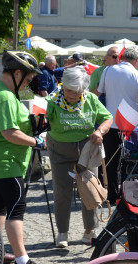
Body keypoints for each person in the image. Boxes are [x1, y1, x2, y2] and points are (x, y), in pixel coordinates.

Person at [0, 50, 49, 264]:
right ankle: (22, 261)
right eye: (28, 77)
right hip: (5, 160)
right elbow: (9, 132)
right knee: (16, 207)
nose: (29, 82)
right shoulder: (6, 96)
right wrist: (36, 141)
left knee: (0, 205)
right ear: (17, 73)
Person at [46, 68, 112, 247]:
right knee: (62, 191)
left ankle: (90, 230)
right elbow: (42, 119)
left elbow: (108, 118)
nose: (73, 95)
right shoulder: (52, 101)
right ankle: (62, 232)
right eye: (69, 91)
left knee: (89, 190)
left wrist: (100, 131)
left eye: (78, 92)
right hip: (60, 150)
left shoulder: (90, 99)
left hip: (87, 151)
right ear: (63, 87)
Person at [97, 45, 138, 203]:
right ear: (137, 60)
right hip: (130, 126)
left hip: (110, 123)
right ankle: (127, 196)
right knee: (130, 162)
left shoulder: (107, 70)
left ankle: (112, 196)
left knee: (110, 162)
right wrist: (137, 117)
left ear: (123, 57)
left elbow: (101, 93)